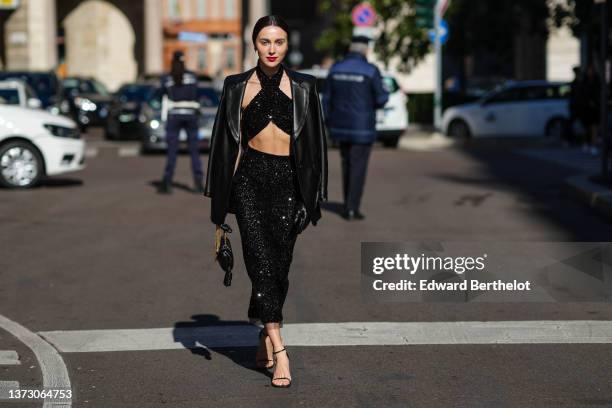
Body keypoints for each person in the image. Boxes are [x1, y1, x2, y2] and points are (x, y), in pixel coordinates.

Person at [203, 15, 328, 388]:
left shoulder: (305, 86)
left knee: (279, 268)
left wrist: (313, 196)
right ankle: (281, 351)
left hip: (289, 184)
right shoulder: (235, 86)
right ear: (254, 44)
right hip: (250, 183)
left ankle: (262, 334)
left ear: (287, 45)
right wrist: (219, 199)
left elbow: (316, 148)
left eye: (279, 42)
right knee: (258, 263)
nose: (272, 49)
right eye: (265, 42)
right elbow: (224, 146)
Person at [322, 35, 389, 220]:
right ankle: (352, 208)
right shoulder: (370, 70)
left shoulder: (335, 69)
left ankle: (347, 205)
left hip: (340, 127)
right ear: (365, 50)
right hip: (362, 128)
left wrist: (328, 121)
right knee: (358, 167)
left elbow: (326, 99)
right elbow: (382, 98)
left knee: (346, 165)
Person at [159, 51, 204, 194]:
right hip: (191, 115)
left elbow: (161, 95)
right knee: (194, 151)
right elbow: (197, 95)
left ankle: (167, 183)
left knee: (172, 151)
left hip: (174, 116)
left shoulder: (167, 78)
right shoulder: (192, 76)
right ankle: (198, 183)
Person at [580, 64, 601, 156]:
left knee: (594, 128)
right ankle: (586, 143)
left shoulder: (597, 82)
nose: (590, 72)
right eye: (589, 70)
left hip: (595, 108)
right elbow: (581, 94)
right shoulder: (584, 82)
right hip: (586, 108)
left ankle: (593, 145)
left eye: (592, 70)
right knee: (586, 128)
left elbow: (599, 93)